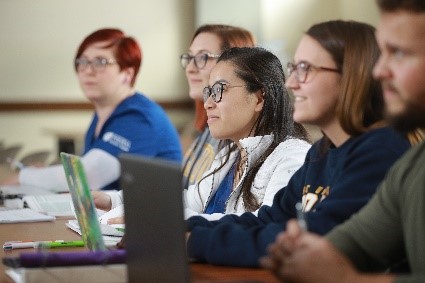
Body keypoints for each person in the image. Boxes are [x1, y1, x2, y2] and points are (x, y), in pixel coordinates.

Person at [185, 20, 413, 267]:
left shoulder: (379, 153)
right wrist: (183, 228)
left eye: (305, 69)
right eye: (294, 68)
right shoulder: (321, 152)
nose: (290, 83)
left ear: (350, 75)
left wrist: (195, 241)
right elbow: (270, 219)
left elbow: (312, 242)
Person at [260, 1, 425, 282]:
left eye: (398, 52)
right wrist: (298, 251)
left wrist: (349, 279)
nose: (378, 71)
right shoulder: (414, 164)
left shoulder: (385, 150)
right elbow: (352, 244)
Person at [93, 24, 258, 221]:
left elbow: (237, 220)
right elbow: (184, 195)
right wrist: (114, 200)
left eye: (203, 57)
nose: (190, 68)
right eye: (189, 58)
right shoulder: (206, 129)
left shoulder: (240, 139)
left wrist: (147, 213)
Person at [0, 28, 182, 191]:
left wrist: (22, 176)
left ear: (127, 73)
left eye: (101, 62)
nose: (88, 70)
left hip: (150, 224)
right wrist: (44, 174)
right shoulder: (103, 112)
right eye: (83, 62)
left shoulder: (139, 117)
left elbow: (86, 176)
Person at [184, 47, 311, 221]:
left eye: (220, 89)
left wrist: (182, 220)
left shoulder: (293, 157)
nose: (208, 104)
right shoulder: (229, 156)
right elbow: (185, 202)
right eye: (209, 92)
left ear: (259, 98)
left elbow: (264, 227)